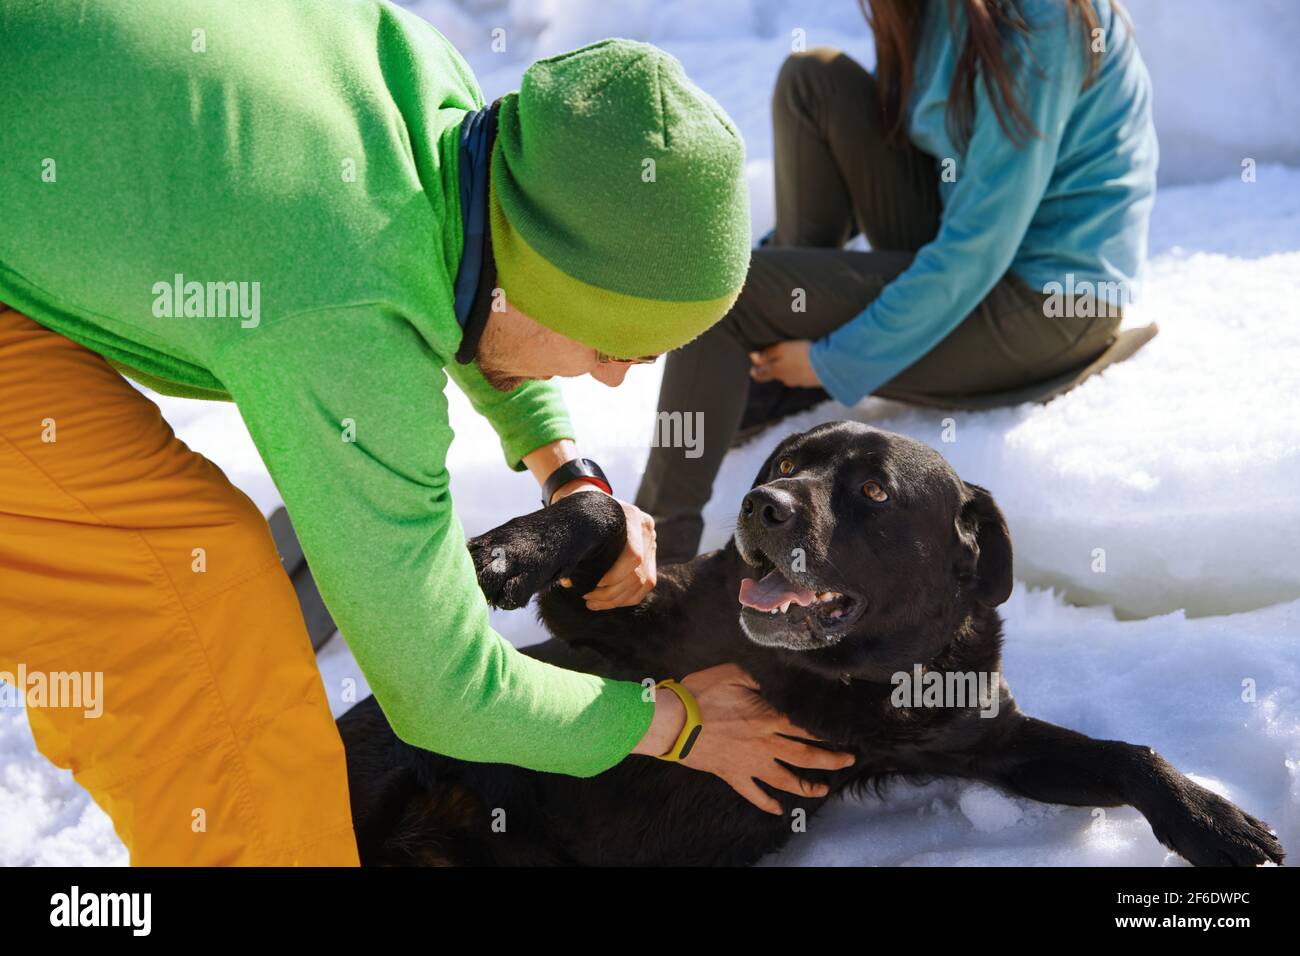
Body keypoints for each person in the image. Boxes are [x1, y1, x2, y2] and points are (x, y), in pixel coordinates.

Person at [0, 0, 853, 865]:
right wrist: (677, 723)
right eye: (611, 345)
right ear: (555, 285)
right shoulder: (340, 308)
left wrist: (569, 471)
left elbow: (465, 272)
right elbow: (441, 694)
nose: (612, 378)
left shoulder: (434, 96)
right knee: (190, 615)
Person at [637, 0, 1158, 563]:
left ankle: (651, 564)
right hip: (962, 260)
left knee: (739, 296)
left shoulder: (1044, 20)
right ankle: (769, 360)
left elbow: (977, 249)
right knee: (814, 79)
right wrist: (791, 287)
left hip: (1043, 305)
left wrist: (834, 360)